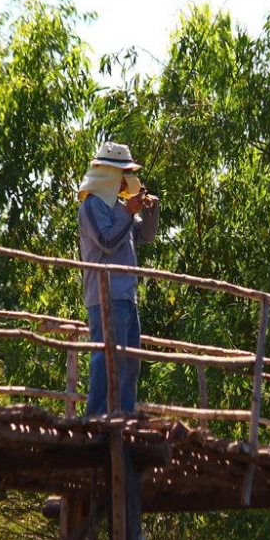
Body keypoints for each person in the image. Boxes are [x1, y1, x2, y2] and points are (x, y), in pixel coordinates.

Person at [77, 141, 160, 415]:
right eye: (124, 173)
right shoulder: (93, 206)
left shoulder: (119, 206)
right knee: (107, 358)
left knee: (129, 361)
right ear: (112, 175)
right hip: (105, 296)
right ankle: (98, 416)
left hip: (126, 296)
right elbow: (107, 242)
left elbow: (144, 235)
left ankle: (122, 414)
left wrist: (150, 211)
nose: (128, 180)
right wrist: (128, 212)